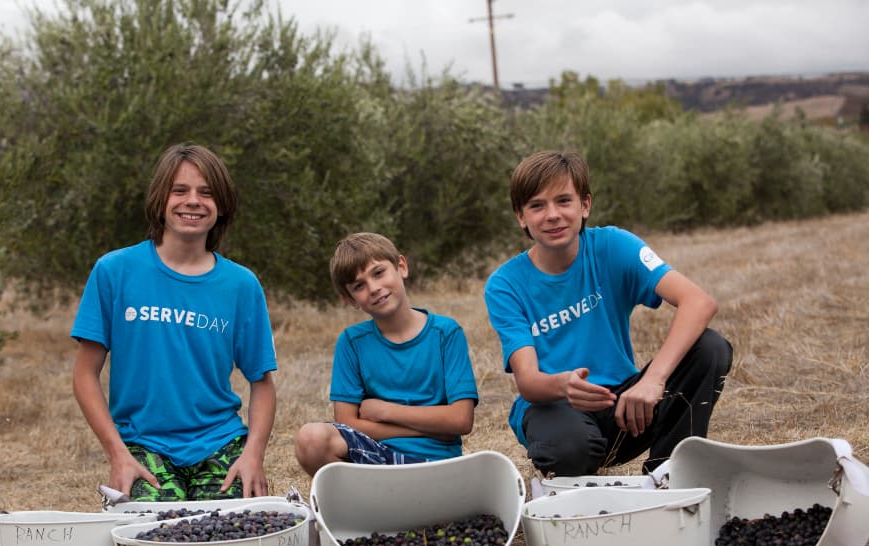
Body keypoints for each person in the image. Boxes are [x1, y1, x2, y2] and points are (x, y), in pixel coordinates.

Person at [484, 150, 732, 476]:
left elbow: (698, 302)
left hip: (626, 408)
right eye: (537, 206)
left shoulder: (613, 246)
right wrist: (563, 385)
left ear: (585, 205)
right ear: (521, 216)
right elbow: (529, 382)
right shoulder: (505, 284)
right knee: (570, 446)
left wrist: (653, 380)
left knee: (710, 348)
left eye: (563, 201)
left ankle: (669, 474)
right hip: (554, 408)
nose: (552, 215)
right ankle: (570, 486)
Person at [71, 142, 277, 500]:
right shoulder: (114, 271)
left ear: (221, 205)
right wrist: (118, 454)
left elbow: (262, 382)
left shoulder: (241, 285)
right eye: (179, 190)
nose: (192, 201)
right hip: (142, 445)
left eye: (206, 193)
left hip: (221, 443)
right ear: (159, 199)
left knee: (231, 537)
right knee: (159, 540)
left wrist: (252, 455)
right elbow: (84, 374)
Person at [294, 232, 478, 475]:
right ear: (350, 299)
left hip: (437, 461)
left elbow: (461, 420)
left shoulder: (446, 333)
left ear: (401, 266)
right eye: (359, 286)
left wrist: (385, 411)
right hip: (375, 460)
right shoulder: (352, 342)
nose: (374, 288)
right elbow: (347, 422)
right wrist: (430, 427)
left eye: (379, 273)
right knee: (310, 438)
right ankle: (369, 503)